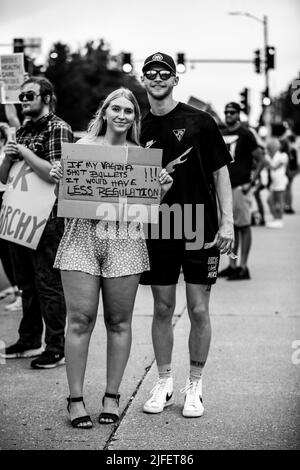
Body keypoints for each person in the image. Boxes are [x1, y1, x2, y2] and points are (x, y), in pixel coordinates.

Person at [50, 87, 173, 429]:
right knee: (79, 320)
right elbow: (66, 199)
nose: (121, 115)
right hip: (81, 238)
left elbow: (148, 211)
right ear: (104, 112)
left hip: (125, 240)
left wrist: (160, 190)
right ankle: (75, 399)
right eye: (115, 109)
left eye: (128, 111)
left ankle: (111, 396)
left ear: (135, 118)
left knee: (119, 322)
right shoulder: (81, 149)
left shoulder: (141, 156)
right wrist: (59, 179)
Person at [139, 52, 234, 418]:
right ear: (144, 79)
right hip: (159, 227)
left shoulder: (200, 121)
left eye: (165, 72)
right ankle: (163, 382)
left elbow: (220, 172)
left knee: (198, 309)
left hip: (199, 226)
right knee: (162, 308)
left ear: (175, 79)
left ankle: (194, 385)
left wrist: (227, 223)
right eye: (151, 72)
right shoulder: (138, 126)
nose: (158, 77)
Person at [0, 77, 73, 368]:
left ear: (46, 96)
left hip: (48, 220)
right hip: (19, 217)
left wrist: (24, 151)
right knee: (25, 285)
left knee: (48, 284)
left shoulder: (59, 128)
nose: (24, 100)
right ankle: (29, 340)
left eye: (29, 94)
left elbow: (57, 174)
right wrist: (9, 154)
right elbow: (4, 177)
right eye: (21, 96)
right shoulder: (23, 129)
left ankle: (55, 347)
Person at [220, 102, 264, 280]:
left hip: (240, 186)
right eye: (226, 112)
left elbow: (261, 159)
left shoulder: (246, 134)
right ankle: (232, 265)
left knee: (244, 227)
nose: (228, 115)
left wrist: (251, 182)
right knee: (231, 228)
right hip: (224, 187)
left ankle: (243, 267)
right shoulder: (221, 133)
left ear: (238, 114)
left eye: (232, 112)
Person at [0, 123, 22, 308]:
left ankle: (19, 292)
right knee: (3, 250)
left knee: (9, 249)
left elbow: (13, 120)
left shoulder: (8, 152)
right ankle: (15, 288)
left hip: (6, 201)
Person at [265, 138, 289, 228]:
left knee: (280, 200)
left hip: (280, 181)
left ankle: (279, 220)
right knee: (270, 200)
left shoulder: (283, 155)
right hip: (274, 181)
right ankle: (275, 218)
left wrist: (267, 161)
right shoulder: (271, 156)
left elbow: (274, 167)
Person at [284, 134, 299, 214]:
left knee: (288, 188)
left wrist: (289, 172)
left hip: (291, 171)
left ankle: (288, 205)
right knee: (288, 188)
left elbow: (292, 162)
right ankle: (287, 205)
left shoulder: (291, 149)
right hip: (292, 170)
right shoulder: (293, 149)